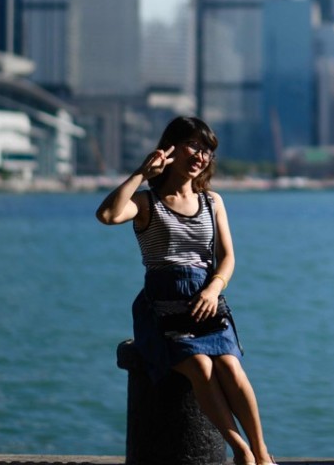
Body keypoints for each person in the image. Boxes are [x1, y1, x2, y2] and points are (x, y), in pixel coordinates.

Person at [96, 116, 276, 465]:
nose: (201, 156)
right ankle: (240, 451)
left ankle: (262, 452)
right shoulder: (148, 202)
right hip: (162, 303)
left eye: (207, 150)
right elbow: (107, 214)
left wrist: (213, 290)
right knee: (200, 367)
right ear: (170, 148)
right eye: (194, 146)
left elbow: (227, 258)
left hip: (205, 300)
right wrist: (140, 174)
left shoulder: (212, 202)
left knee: (230, 366)